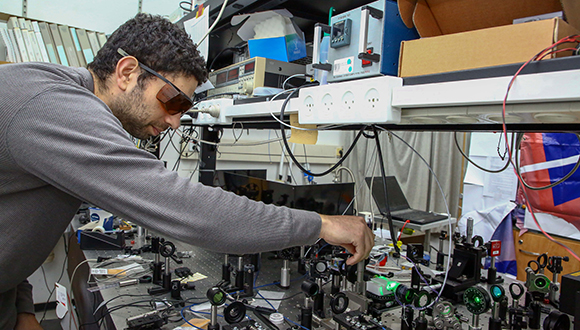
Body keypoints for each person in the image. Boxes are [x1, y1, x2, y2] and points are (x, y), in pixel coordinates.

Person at [0, 13, 374, 329]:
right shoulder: (51, 106)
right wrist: (321, 225)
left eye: (184, 108)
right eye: (173, 100)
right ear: (128, 72)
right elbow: (190, 211)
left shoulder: (50, 96)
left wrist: (22, 306)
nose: (176, 122)